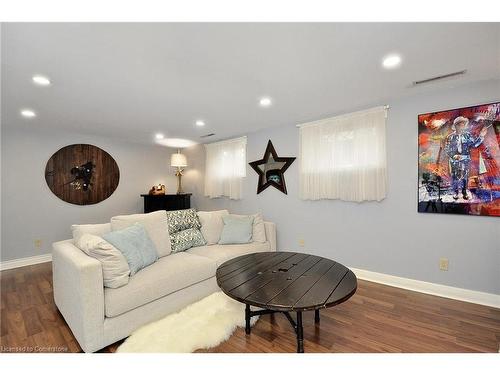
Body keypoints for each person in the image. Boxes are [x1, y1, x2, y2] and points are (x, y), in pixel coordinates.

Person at [444, 116, 487, 200]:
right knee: (454, 177)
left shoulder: (467, 136)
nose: (462, 126)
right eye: (460, 124)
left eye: (463, 125)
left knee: (465, 177)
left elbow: (474, 145)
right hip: (454, 160)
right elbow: (447, 149)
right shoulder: (450, 137)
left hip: (465, 159)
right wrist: (453, 156)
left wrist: (481, 136)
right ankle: (456, 192)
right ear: (456, 125)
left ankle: (464, 192)